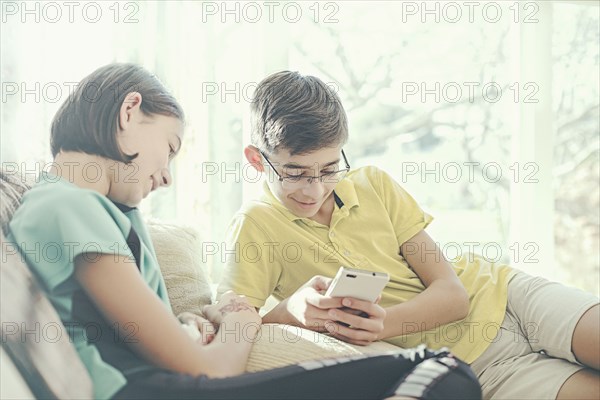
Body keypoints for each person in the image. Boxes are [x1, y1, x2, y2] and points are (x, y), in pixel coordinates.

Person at [7, 63, 481, 400]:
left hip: (156, 385)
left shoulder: (82, 207)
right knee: (441, 370)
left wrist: (205, 322)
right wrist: (241, 324)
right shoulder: (65, 204)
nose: (167, 176)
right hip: (148, 392)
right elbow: (204, 371)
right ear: (130, 113)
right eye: (170, 148)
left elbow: (150, 333)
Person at [217, 70, 600, 400]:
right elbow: (239, 328)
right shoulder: (255, 225)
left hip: (510, 297)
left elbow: (453, 295)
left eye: (330, 168)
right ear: (256, 159)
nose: (315, 190)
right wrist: (291, 312)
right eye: (295, 173)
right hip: (479, 368)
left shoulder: (373, 184)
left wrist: (383, 325)